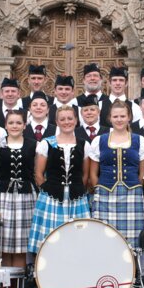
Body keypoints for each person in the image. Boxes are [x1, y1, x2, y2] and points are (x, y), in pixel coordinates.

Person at [89, 100, 144, 288]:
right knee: (107, 245)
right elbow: (93, 172)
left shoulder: (139, 140)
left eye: (123, 116)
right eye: (115, 116)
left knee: (131, 248)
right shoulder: (100, 140)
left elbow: (143, 171)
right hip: (105, 195)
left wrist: (137, 186)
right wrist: (99, 188)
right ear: (109, 119)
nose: (119, 119)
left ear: (129, 117)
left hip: (131, 195)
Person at [27, 105, 91, 269]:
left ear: (76, 120)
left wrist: (76, 190)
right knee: (49, 239)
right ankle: (47, 274)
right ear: (56, 122)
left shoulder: (84, 144)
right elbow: (39, 174)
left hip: (76, 199)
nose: (66, 122)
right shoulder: (47, 143)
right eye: (62, 119)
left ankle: (72, 272)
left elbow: (85, 175)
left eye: (70, 118)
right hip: (51, 198)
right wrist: (49, 191)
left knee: (76, 240)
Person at [0, 110, 37, 267]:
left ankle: (18, 284)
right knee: (2, 242)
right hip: (1, 195)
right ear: (5, 125)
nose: (15, 126)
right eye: (11, 123)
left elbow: (37, 170)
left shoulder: (33, 145)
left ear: (25, 125)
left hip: (25, 196)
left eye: (19, 123)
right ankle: (5, 286)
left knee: (20, 245)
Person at [76, 63, 112, 127]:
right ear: (83, 80)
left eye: (95, 75)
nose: (92, 78)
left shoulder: (110, 101)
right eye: (89, 76)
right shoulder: (75, 102)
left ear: (101, 79)